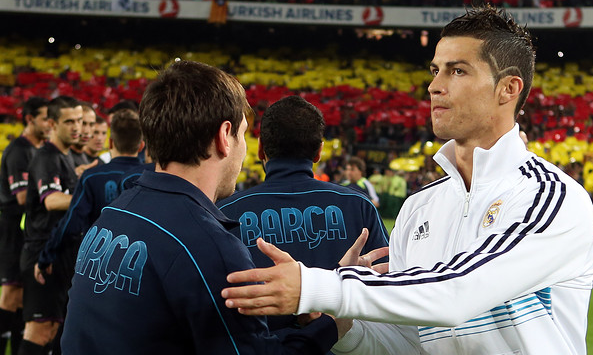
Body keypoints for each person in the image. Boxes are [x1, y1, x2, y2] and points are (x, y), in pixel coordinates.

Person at [221, 6, 593, 355]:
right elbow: (410, 341)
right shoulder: (420, 207)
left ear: (508, 89)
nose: (435, 86)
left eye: (458, 70)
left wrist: (319, 286)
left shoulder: (551, 198)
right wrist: (340, 322)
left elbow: (456, 294)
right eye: (436, 70)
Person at [61, 60, 338, 355]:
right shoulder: (206, 244)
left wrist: (291, 308)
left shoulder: (114, 213)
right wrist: (335, 318)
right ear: (224, 137)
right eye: (242, 134)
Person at [217, 96, 388, 338]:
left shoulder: (225, 211)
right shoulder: (358, 205)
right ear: (319, 151)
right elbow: (386, 286)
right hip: (344, 345)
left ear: (260, 149)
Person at [35, 109, 145, 285]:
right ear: (141, 146)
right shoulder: (151, 176)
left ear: (110, 142)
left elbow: (71, 223)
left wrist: (46, 257)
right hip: (136, 269)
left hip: (95, 268)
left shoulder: (92, 177)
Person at [20, 96, 83, 355]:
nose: (77, 127)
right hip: (41, 252)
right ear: (52, 124)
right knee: (40, 329)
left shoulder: (67, 156)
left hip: (59, 253)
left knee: (55, 330)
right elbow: (52, 201)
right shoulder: (46, 157)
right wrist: (89, 199)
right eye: (69, 121)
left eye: (79, 120)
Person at [0, 97, 50, 355]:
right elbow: (21, 197)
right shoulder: (19, 150)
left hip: (25, 231)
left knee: (20, 296)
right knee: (10, 295)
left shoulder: (39, 148)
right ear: (29, 119)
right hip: (12, 230)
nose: (49, 123)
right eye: (44, 118)